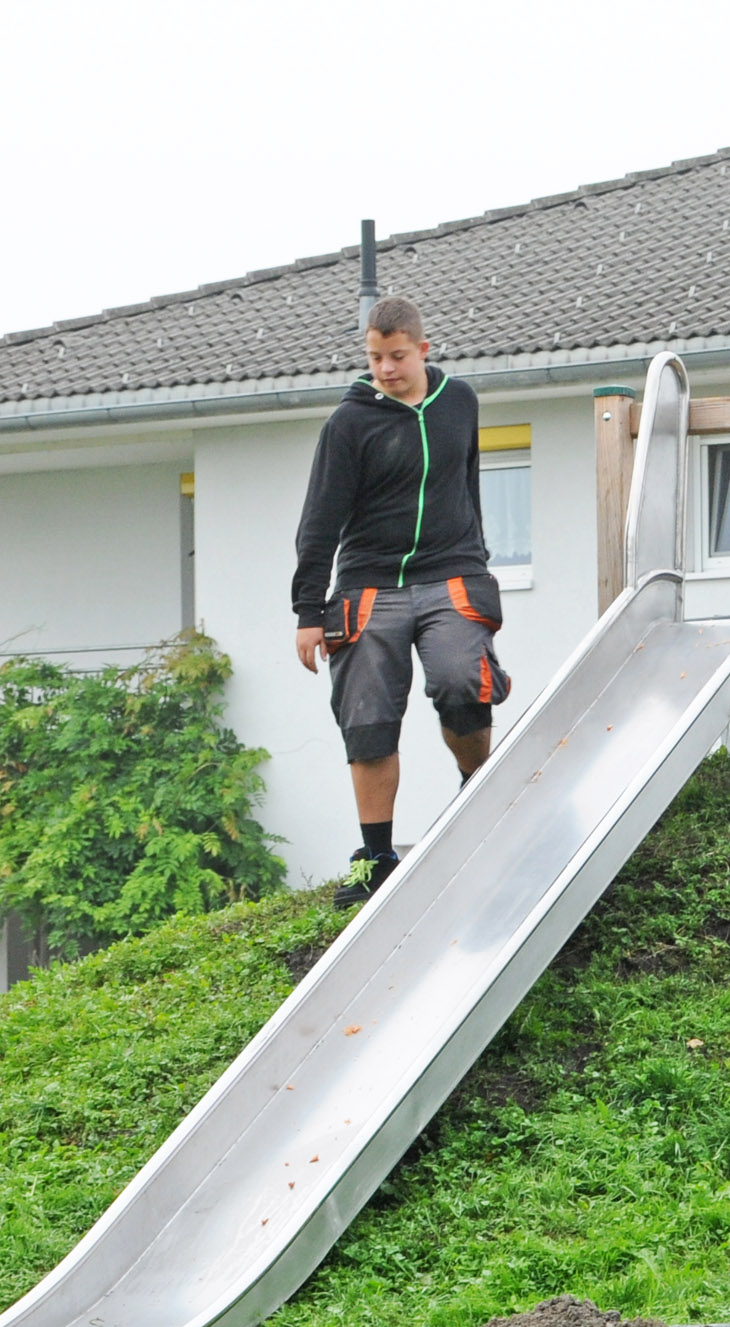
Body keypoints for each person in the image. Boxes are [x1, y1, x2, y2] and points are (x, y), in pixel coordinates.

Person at [292, 296, 512, 906]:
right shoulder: (349, 424)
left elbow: (467, 483)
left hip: (451, 571)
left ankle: (476, 795)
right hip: (369, 582)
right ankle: (376, 856)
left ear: (422, 349)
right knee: (367, 718)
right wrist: (308, 612)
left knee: (463, 681)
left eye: (395, 356)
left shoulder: (459, 402)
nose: (385, 369)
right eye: (374, 358)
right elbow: (319, 521)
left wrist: (477, 558)